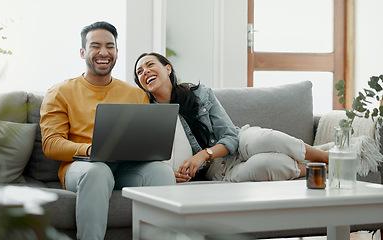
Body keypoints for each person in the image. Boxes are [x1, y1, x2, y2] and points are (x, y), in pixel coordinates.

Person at [40, 23, 175, 240]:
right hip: (83, 168)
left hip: (125, 168)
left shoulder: (136, 94)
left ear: (117, 52)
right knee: (98, 171)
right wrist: (91, 150)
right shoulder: (59, 92)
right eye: (96, 46)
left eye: (110, 46)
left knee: (162, 171)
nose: (104, 52)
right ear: (83, 52)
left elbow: (145, 138)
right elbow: (51, 144)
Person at [133, 52, 329, 183]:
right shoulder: (146, 114)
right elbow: (150, 160)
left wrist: (203, 154)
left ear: (167, 68)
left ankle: (329, 158)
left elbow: (230, 136)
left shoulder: (200, 94)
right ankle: (324, 169)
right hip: (216, 171)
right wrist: (168, 175)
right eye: (139, 72)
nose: (145, 72)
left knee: (267, 140)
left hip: (238, 140)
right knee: (266, 165)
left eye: (150, 65)